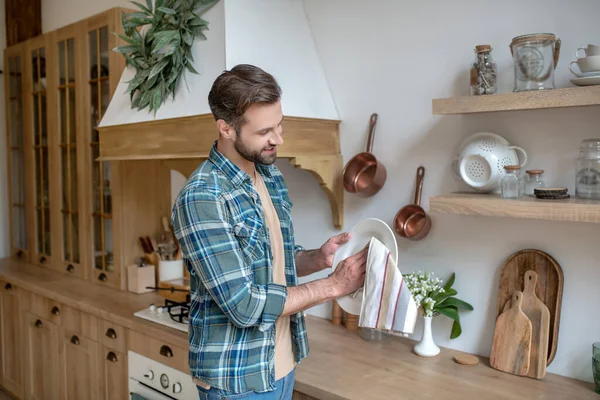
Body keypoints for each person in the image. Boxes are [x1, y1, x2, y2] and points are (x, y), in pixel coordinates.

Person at [171, 64, 367, 400]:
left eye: (280, 125)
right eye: (265, 132)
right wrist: (334, 285)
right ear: (226, 129)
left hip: (282, 365)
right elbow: (244, 304)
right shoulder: (202, 197)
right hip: (236, 381)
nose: (278, 139)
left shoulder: (270, 176)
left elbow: (272, 261)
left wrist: (316, 259)